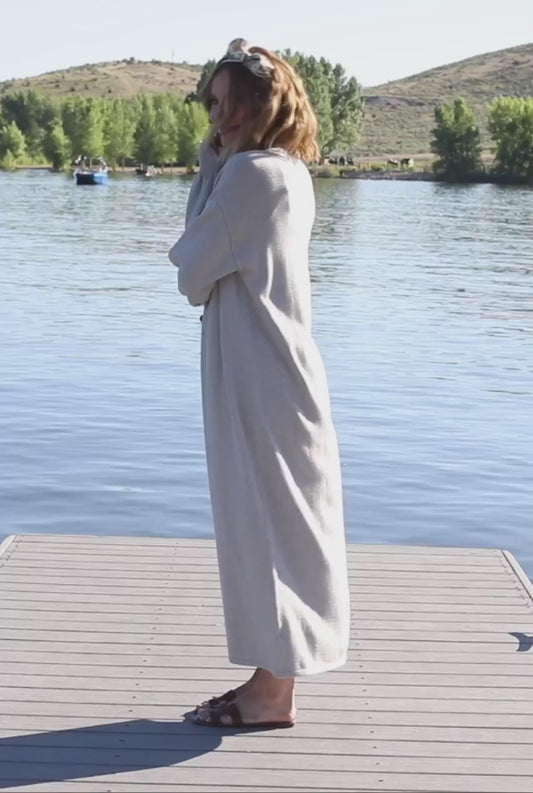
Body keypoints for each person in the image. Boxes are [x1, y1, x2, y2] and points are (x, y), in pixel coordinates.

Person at [168, 38, 350, 730]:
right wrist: (214, 166)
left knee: (263, 525)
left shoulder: (251, 177)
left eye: (227, 102)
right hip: (275, 370)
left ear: (257, 105)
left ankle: (273, 696)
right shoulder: (287, 172)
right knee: (276, 525)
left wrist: (210, 170)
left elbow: (191, 272)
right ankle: (269, 678)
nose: (215, 116)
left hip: (257, 376)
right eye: (211, 104)